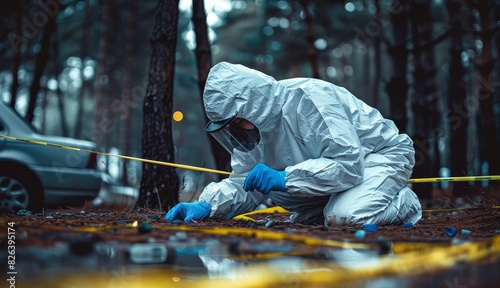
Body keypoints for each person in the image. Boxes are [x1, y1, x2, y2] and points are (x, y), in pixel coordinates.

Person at [165, 62, 422, 226]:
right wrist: (207, 205)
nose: (234, 133)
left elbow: (348, 165)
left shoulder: (309, 99)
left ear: (252, 106)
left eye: (235, 123)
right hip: (343, 178)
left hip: (379, 157)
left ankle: (404, 202)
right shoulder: (254, 131)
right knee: (312, 212)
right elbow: (242, 182)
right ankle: (341, 205)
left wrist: (285, 178)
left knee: (346, 216)